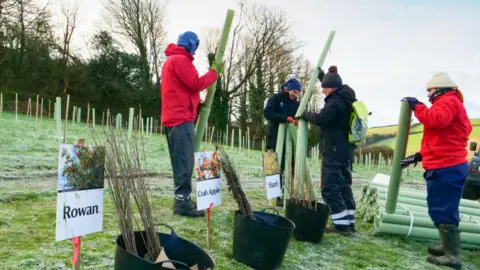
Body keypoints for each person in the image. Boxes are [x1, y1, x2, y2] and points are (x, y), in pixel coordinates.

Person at [401, 71, 471, 269]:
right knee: (439, 207)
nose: (428, 93)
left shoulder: (448, 102)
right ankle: (445, 246)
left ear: (440, 88)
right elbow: (441, 140)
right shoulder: (450, 103)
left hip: (447, 166)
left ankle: (452, 255)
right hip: (445, 163)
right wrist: (419, 155)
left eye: (430, 89)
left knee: (444, 209)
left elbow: (435, 120)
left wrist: (417, 106)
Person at [161, 31, 222, 217]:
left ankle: (182, 198)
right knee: (183, 161)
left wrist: (197, 103)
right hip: (180, 119)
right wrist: (214, 73)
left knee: (181, 160)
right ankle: (182, 202)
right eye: (195, 45)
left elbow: (182, 89)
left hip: (175, 117)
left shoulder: (173, 60)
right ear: (190, 44)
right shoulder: (180, 60)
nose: (196, 50)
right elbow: (195, 83)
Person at [297, 66, 357, 236]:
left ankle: (341, 226)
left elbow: (322, 118)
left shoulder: (336, 102)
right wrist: (323, 76)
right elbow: (332, 86)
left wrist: (304, 114)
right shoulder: (347, 98)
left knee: (330, 188)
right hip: (345, 152)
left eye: (324, 87)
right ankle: (349, 223)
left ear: (331, 88)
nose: (322, 91)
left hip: (334, 150)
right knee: (345, 187)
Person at [264, 78, 302, 206]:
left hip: (289, 141)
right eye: (294, 91)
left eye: (297, 93)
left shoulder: (297, 105)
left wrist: (297, 123)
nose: (295, 95)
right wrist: (285, 119)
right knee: (272, 167)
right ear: (288, 89)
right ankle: (273, 196)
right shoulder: (275, 99)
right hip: (273, 138)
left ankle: (286, 194)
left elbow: (299, 119)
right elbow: (268, 113)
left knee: (288, 168)